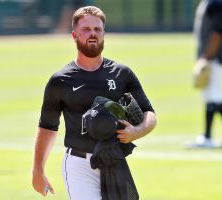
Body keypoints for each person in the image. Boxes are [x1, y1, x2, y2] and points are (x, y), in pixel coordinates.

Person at [32, 6, 157, 199]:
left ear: (103, 34)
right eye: (86, 29)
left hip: (114, 160)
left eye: (97, 29)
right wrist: (37, 170)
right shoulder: (60, 80)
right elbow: (48, 127)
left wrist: (137, 132)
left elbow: (149, 113)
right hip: (79, 165)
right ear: (74, 35)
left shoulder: (122, 74)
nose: (93, 34)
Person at [191, 0, 222, 148]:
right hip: (209, 57)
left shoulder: (218, 3)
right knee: (211, 96)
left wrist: (206, 57)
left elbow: (217, 33)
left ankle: (220, 136)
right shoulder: (209, 2)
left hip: (214, 58)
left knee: (214, 95)